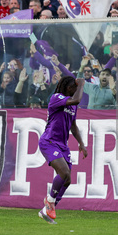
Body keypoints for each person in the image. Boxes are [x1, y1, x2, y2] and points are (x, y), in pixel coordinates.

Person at [38, 76, 87, 224]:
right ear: (68, 87)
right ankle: (49, 201)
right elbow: (77, 99)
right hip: (49, 142)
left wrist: (81, 143)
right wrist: (82, 85)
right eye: (74, 88)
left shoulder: (72, 105)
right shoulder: (56, 97)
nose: (75, 90)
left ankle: (46, 209)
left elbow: (73, 125)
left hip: (62, 145)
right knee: (64, 172)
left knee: (67, 180)